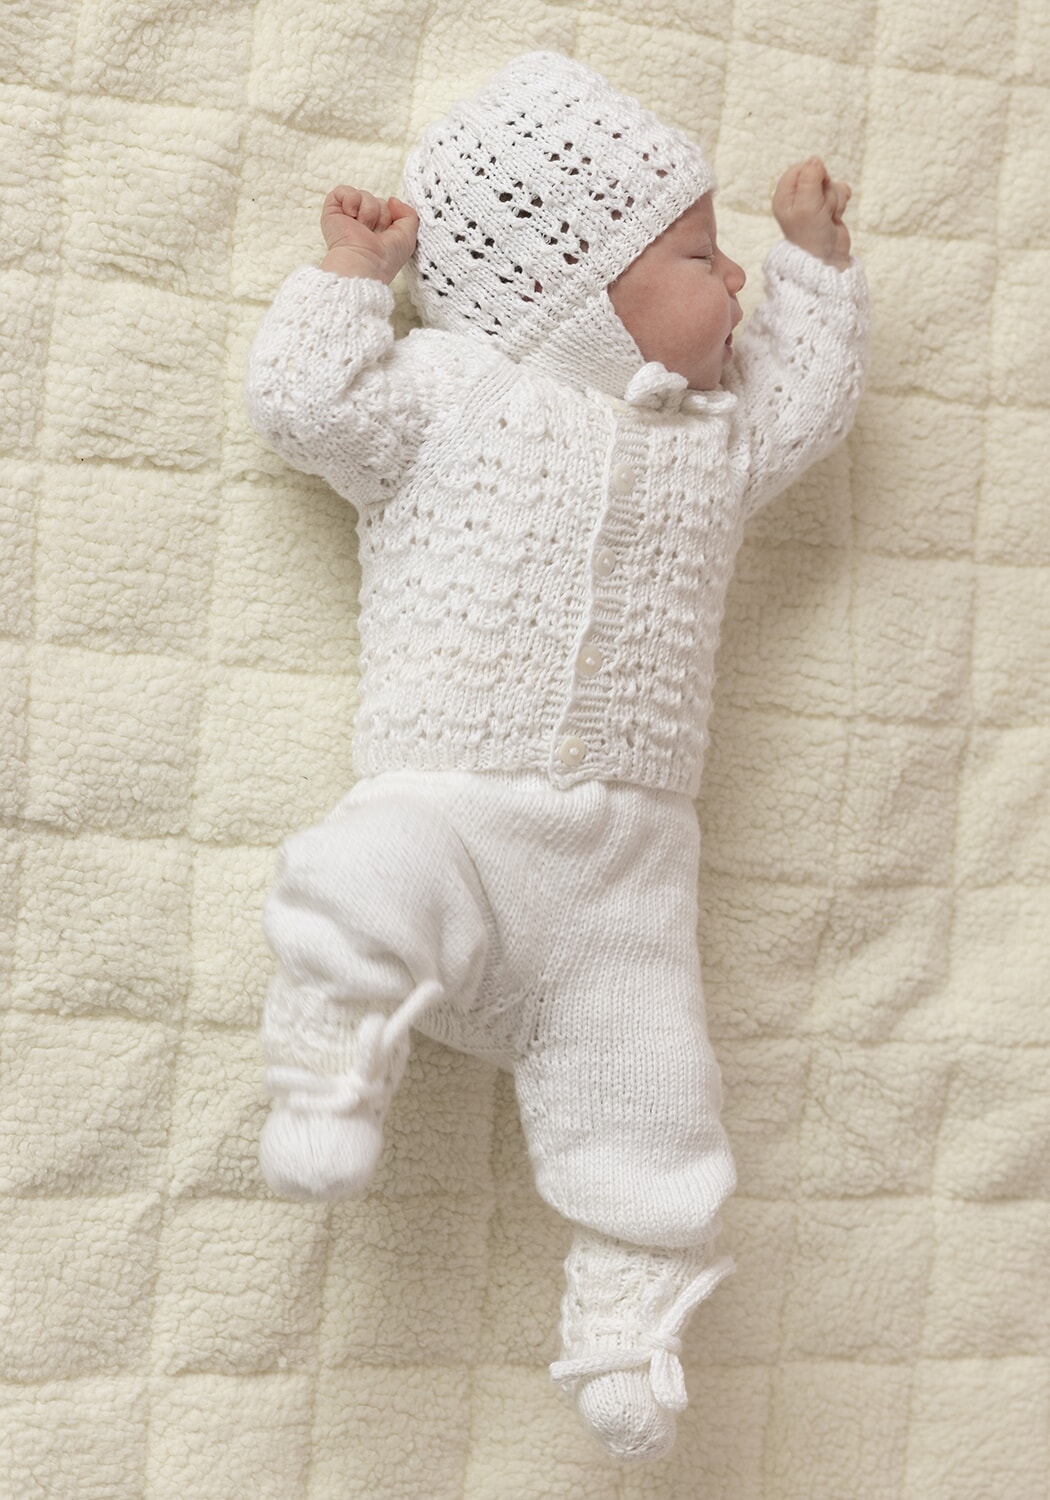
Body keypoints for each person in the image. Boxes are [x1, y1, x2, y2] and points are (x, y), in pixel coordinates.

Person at [245, 51, 869, 1462]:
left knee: (655, 1086)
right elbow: (304, 405)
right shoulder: (445, 391)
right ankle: (330, 1053)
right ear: (571, 286)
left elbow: (808, 407)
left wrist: (818, 267)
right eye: (703, 255)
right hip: (455, 811)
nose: (736, 281)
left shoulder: (716, 438)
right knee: (368, 869)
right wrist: (352, 275)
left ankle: (628, 1315)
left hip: (621, 882)